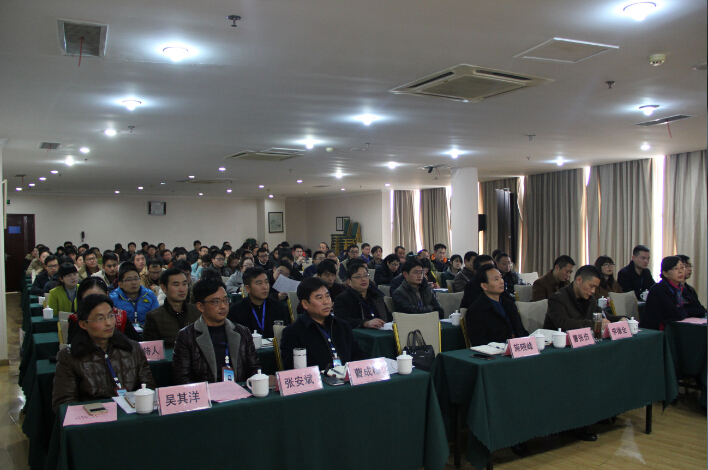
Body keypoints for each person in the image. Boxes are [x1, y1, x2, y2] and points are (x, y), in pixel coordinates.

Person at [52, 294, 156, 413]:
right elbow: (63, 403)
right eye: (100, 318)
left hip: (132, 415)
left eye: (111, 316)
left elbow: (148, 388)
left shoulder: (132, 348)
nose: (108, 323)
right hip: (93, 419)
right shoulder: (69, 356)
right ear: (83, 324)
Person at [172, 278, 263, 384]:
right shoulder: (186, 336)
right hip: (206, 393)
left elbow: (255, 369)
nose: (223, 306)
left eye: (226, 300)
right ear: (200, 306)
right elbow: (182, 378)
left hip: (239, 390)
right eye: (216, 302)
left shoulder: (242, 332)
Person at [281, 277, 366, 370]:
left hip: (347, 377)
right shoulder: (292, 332)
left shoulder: (343, 326)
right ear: (305, 304)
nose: (326, 302)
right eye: (319, 298)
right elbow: (292, 369)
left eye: (327, 296)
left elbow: (358, 356)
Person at [543, 265, 625, 332]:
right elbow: (564, 324)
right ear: (579, 280)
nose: (593, 291)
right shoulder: (557, 298)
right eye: (591, 286)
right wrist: (595, 324)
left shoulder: (590, 298)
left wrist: (620, 319)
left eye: (595, 288)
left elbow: (602, 314)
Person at [467, 264, 528, 347]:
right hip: (496, 352)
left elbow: (521, 332)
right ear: (484, 286)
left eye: (501, 277)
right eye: (496, 279)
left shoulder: (510, 304)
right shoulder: (475, 310)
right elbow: (479, 342)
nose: (501, 281)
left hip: (518, 348)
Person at [640, 256, 706, 330]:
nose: (680, 271)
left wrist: (684, 311)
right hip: (658, 331)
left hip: (678, 327)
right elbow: (675, 314)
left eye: (682, 267)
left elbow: (700, 310)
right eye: (676, 268)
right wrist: (688, 311)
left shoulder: (682, 289)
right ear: (665, 273)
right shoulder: (658, 289)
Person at [67, 278, 140, 343]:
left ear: (107, 295)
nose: (96, 303)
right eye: (89, 298)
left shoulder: (120, 316)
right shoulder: (76, 319)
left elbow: (137, 343)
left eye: (100, 297)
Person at [142, 268, 201, 348]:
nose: (182, 289)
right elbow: (152, 350)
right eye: (176, 285)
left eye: (184, 284)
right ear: (164, 288)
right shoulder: (154, 317)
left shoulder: (197, 311)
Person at [228, 267, 291, 338]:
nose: (265, 287)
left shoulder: (279, 307)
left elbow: (286, 334)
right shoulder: (236, 311)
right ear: (248, 288)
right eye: (259, 283)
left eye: (266, 282)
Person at [333, 264, 391, 329]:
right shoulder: (342, 299)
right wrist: (365, 323)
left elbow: (389, 318)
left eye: (366, 275)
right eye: (358, 277)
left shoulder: (376, 296)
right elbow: (342, 321)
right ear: (349, 282)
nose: (363, 279)